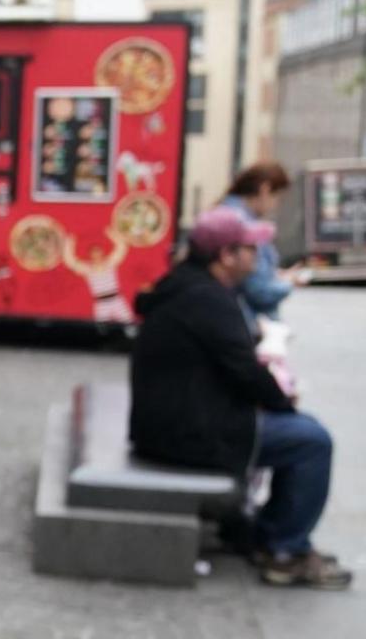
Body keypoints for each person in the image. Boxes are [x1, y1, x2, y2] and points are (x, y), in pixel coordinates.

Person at [130, 209, 352, 588]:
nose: (258, 256)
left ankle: (268, 534)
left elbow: (235, 364)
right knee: (312, 441)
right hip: (187, 432)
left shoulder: (189, 287)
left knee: (304, 429)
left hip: (168, 422)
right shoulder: (208, 299)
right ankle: (284, 550)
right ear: (226, 255)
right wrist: (282, 404)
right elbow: (246, 370)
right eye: (251, 248)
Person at [216, 162, 299, 325]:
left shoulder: (227, 213)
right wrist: (288, 282)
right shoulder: (242, 224)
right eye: (277, 197)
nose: (275, 205)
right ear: (265, 189)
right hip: (244, 321)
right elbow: (259, 289)